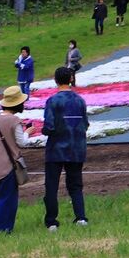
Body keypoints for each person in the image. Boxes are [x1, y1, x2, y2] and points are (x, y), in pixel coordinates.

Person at [42, 66, 89, 229]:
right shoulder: (80, 100)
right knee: (76, 185)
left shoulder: (53, 101)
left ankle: (51, 222)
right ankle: (81, 217)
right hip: (76, 148)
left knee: (51, 186)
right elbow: (85, 124)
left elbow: (48, 127)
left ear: (55, 80)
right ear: (70, 79)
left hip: (56, 149)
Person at [0, 85, 29, 235]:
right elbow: (21, 142)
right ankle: (3, 229)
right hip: (9, 166)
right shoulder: (14, 120)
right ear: (17, 103)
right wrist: (28, 132)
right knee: (7, 199)